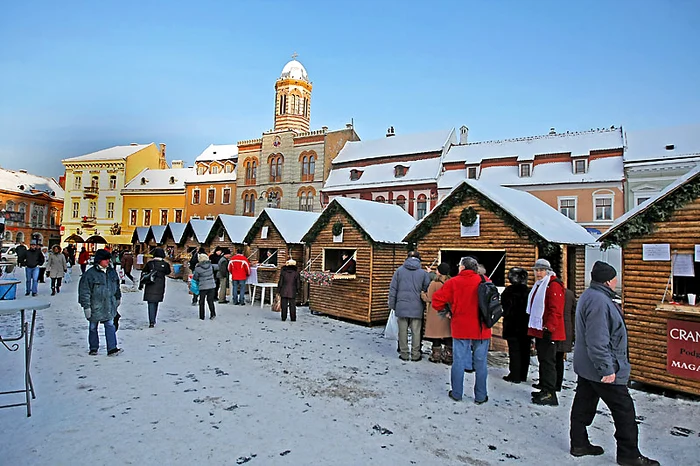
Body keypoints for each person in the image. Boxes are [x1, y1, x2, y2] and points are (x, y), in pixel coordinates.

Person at [569, 261, 659, 466]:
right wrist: (606, 369)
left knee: (583, 404)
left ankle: (579, 443)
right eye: (615, 277)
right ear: (609, 280)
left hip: (587, 367)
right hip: (602, 368)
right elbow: (597, 340)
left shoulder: (589, 295)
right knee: (624, 410)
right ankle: (629, 455)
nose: (616, 281)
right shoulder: (599, 301)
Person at [432, 256, 490, 404]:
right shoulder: (485, 281)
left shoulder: (454, 282)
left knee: (458, 361)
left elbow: (436, 300)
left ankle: (457, 393)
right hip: (482, 328)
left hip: (461, 327)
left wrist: (446, 311)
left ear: (463, 267)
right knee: (481, 363)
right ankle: (481, 396)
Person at [527, 258, 566, 406]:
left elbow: (555, 310)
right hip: (541, 330)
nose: (538, 273)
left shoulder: (553, 285)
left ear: (547, 271)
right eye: (536, 270)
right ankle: (544, 388)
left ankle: (550, 392)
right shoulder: (541, 285)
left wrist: (549, 328)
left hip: (549, 331)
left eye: (541, 270)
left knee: (548, 361)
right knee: (543, 360)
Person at [388, 251, 431, 362]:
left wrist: (392, 305)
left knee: (402, 331)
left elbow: (393, 289)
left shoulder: (399, 271)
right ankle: (415, 354)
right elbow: (427, 289)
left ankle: (404, 354)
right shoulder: (423, 273)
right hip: (417, 307)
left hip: (401, 306)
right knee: (416, 332)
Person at [78, 249, 122, 356]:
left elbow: (117, 286)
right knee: (93, 327)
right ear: (99, 261)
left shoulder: (112, 272)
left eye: (108, 259)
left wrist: (117, 297)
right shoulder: (90, 274)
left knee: (110, 325)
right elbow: (84, 291)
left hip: (109, 305)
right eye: (105, 259)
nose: (108, 261)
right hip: (95, 305)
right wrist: (86, 306)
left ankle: (112, 348)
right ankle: (93, 348)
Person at [501, 267, 531, 384]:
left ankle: (515, 374)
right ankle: (523, 374)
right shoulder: (529, 291)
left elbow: (505, 307)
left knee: (514, 351)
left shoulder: (509, 291)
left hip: (512, 324)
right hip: (526, 324)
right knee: (525, 350)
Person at [422, 262, 452, 364]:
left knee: (436, 334)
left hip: (436, 311)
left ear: (439, 271)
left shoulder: (434, 283)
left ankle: (436, 356)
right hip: (447, 312)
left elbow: (429, 298)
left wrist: (422, 294)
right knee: (447, 334)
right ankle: (448, 356)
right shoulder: (451, 282)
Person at [140, 247, 171, 328]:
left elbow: (144, 272)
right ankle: (153, 319)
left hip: (150, 284)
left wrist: (141, 284)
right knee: (156, 302)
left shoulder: (150, 263)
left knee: (150, 303)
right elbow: (168, 272)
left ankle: (151, 321)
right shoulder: (165, 264)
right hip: (160, 285)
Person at [555, 288, 577, 391]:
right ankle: (557, 383)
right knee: (558, 358)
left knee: (552, 359)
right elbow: (574, 312)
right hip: (566, 328)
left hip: (556, 329)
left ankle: (553, 383)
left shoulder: (551, 291)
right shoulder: (569, 293)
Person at [193, 253, 216, 320]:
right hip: (211, 286)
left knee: (201, 301)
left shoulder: (198, 269)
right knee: (210, 301)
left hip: (203, 286)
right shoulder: (211, 266)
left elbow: (195, 278)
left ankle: (202, 316)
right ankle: (213, 313)